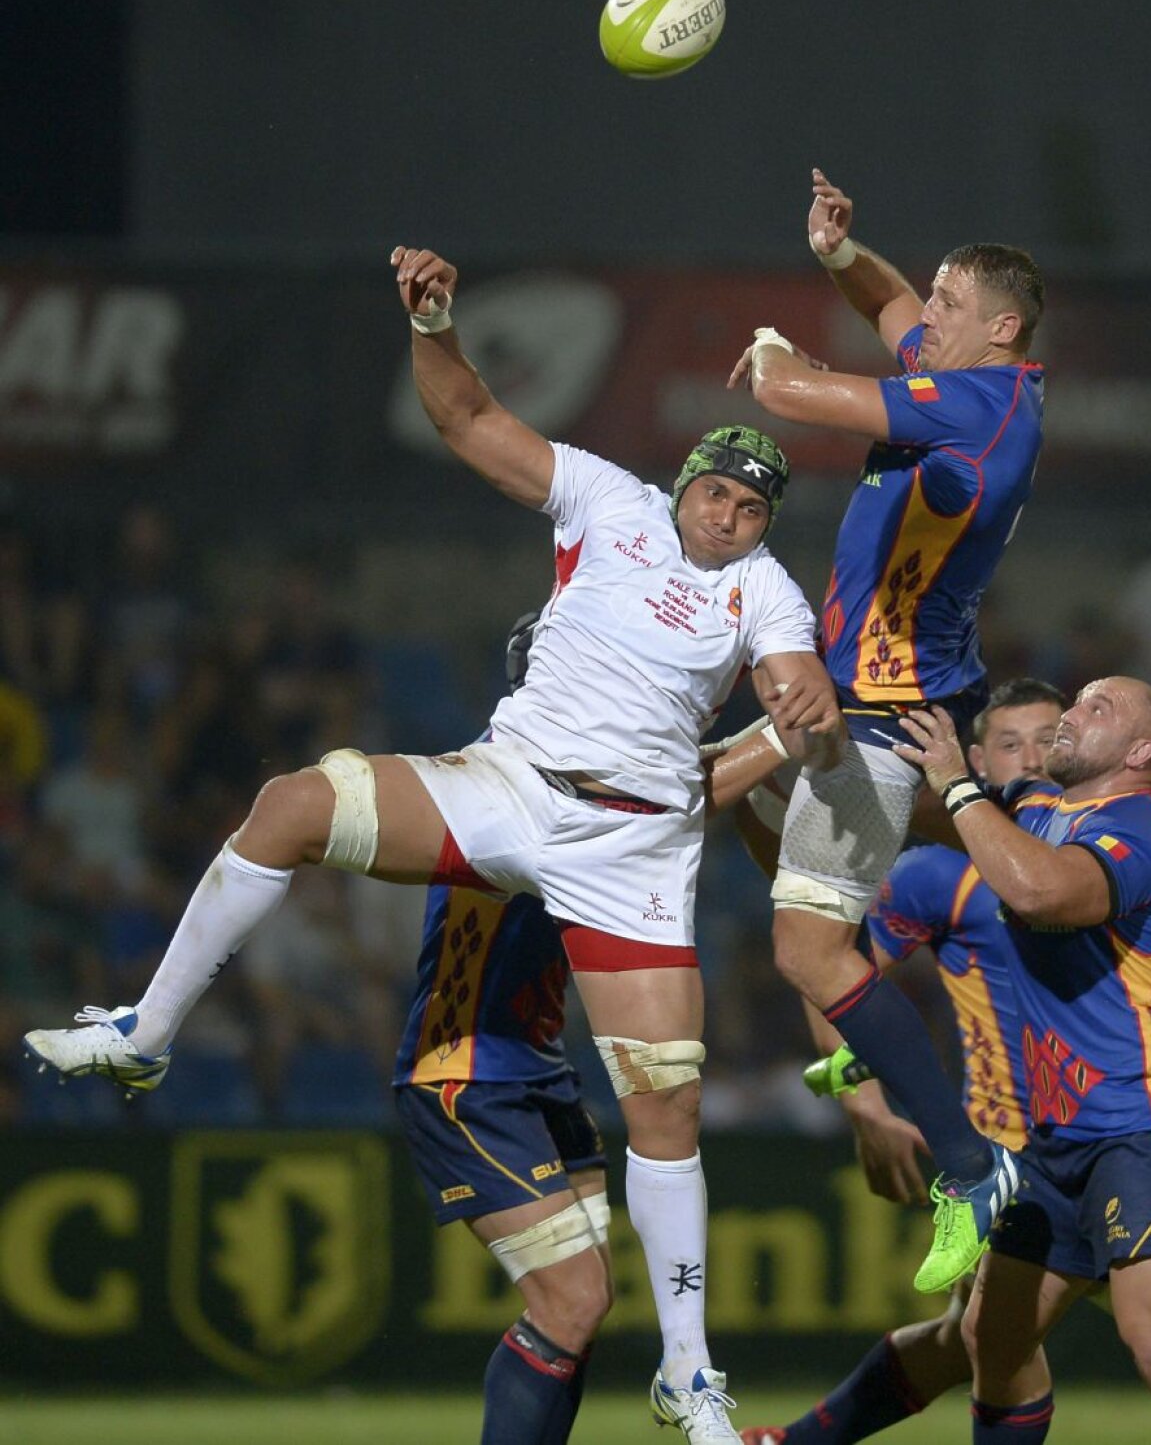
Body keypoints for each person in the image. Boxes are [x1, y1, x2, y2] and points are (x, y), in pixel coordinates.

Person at [24, 246, 841, 1445]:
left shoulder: (764, 588)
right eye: (716, 492)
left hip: (630, 847)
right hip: (512, 786)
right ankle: (146, 1034)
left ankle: (688, 1371)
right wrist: (436, 324)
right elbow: (465, 419)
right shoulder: (608, 500)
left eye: (752, 507)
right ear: (684, 484)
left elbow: (791, 676)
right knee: (291, 803)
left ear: (766, 523)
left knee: (666, 1109)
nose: (728, 516)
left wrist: (806, 705)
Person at [729, 168, 1045, 1292]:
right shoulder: (972, 379)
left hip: (882, 708)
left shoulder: (975, 405)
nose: (930, 315)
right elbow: (892, 306)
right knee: (763, 823)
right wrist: (838, 256)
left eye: (953, 304)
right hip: (899, 692)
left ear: (1000, 329)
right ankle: (873, 1038)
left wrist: (773, 353)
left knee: (805, 947)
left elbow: (791, 395)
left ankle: (968, 1164)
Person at [398, 611, 795, 1445]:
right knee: (572, 1299)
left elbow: (661, 793)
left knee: (579, 1308)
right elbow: (669, 804)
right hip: (464, 1073)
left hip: (537, 1071)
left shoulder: (584, 775)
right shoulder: (504, 780)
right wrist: (782, 730)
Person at [739, 676, 1067, 1445]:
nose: (1031, 758)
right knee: (985, 1339)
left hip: (1133, 1139)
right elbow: (827, 968)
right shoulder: (938, 875)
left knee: (981, 1339)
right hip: (1012, 1151)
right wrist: (866, 1107)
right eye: (1010, 743)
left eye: (1048, 739)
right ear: (976, 760)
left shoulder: (1116, 847)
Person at [891, 677, 1151, 1443]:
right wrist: (815, 777)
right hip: (1055, 1135)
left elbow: (1039, 891)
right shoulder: (1035, 804)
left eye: (1098, 708)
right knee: (992, 1339)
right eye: (1078, 700)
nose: (1071, 714)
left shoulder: (1145, 834)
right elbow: (925, 810)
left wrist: (958, 786)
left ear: (1140, 750)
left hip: (1146, 1118)